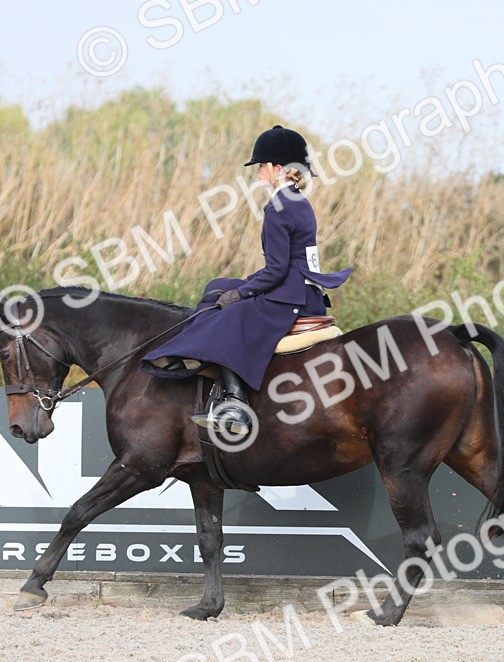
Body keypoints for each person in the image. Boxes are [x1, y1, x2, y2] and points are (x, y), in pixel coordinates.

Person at [141, 125, 351, 436]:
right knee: (218, 286)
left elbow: (277, 270)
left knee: (230, 318)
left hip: (291, 296)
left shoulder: (279, 207)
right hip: (301, 288)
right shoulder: (297, 200)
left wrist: (243, 293)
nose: (257, 172)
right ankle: (189, 353)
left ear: (277, 169)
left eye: (261, 166)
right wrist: (240, 287)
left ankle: (236, 404)